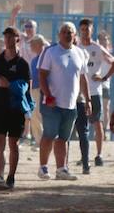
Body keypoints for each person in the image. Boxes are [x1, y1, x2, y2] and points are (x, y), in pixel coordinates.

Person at [36, 21, 89, 181]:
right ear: (59, 34)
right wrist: (48, 95)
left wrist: (88, 100)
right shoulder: (51, 52)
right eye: (64, 32)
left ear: (75, 35)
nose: (67, 34)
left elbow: (83, 77)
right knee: (49, 135)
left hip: (71, 104)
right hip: (51, 103)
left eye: (70, 32)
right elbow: (42, 75)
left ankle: (61, 169)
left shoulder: (80, 53)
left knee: (64, 138)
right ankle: (43, 168)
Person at [0, 26, 30, 190]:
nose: (8, 39)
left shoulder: (22, 64)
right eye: (6, 37)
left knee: (13, 144)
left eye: (12, 37)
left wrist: (10, 85)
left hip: (15, 108)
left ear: (17, 39)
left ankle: (11, 177)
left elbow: (26, 86)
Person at [76, 18, 114, 172]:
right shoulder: (76, 48)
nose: (85, 31)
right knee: (80, 127)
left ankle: (98, 155)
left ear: (92, 30)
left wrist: (104, 77)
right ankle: (84, 156)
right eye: (83, 29)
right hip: (79, 94)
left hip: (95, 92)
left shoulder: (97, 48)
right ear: (80, 30)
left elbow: (112, 61)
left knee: (97, 123)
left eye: (88, 29)